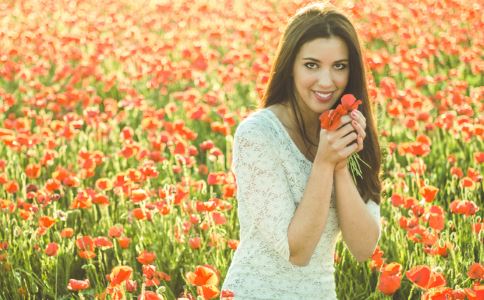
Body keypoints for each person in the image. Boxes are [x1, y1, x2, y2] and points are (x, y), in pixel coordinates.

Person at [221, 2, 382, 299]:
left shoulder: (350, 132)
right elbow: (298, 251)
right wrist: (323, 163)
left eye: (339, 66)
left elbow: (363, 248)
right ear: (290, 66)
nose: (326, 81)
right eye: (311, 65)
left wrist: (341, 165)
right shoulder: (258, 135)